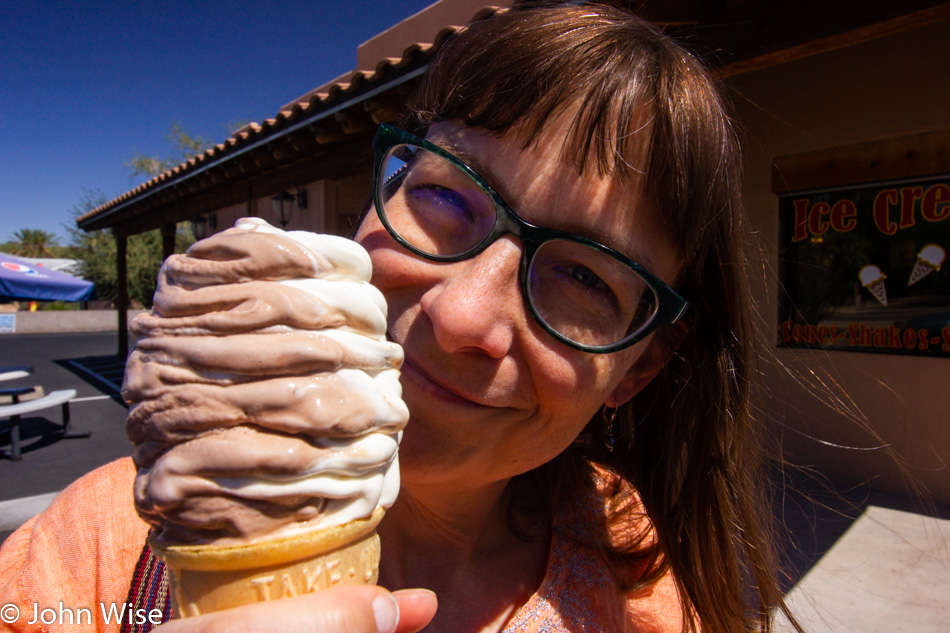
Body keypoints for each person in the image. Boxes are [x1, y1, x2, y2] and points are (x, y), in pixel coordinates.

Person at [0, 4, 802, 633]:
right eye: (446, 195)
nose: (460, 314)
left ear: (638, 368)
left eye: (586, 279)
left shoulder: (638, 573)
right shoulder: (101, 550)